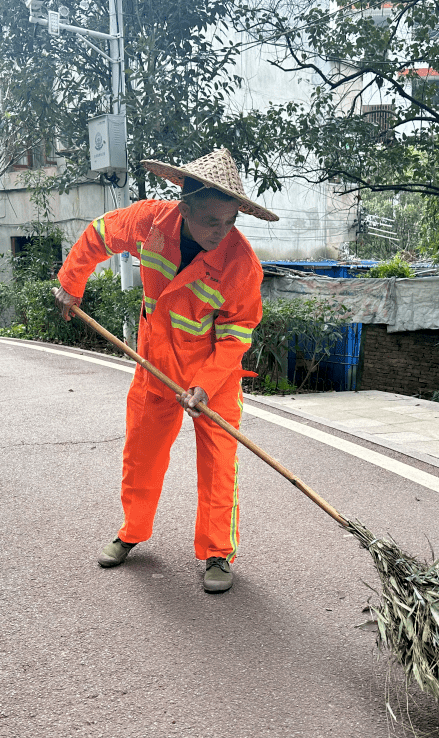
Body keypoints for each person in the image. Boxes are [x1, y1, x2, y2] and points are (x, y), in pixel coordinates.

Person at [53, 149, 277, 593]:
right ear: (185, 207)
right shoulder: (149, 222)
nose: (222, 232)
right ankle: (132, 531)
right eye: (213, 220)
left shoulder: (240, 263)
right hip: (154, 367)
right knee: (142, 454)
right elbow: (98, 235)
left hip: (212, 379)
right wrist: (71, 283)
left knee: (218, 465)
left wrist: (205, 386)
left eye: (231, 221)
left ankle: (217, 552)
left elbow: (237, 335)